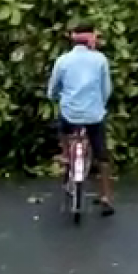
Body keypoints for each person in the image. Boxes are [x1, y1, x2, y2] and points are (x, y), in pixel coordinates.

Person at [48, 24, 115, 216]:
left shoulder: (63, 60)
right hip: (94, 115)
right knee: (102, 155)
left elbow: (52, 90)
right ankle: (106, 197)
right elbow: (106, 90)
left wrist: (55, 96)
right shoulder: (100, 59)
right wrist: (99, 104)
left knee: (63, 126)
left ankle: (67, 156)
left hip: (70, 114)